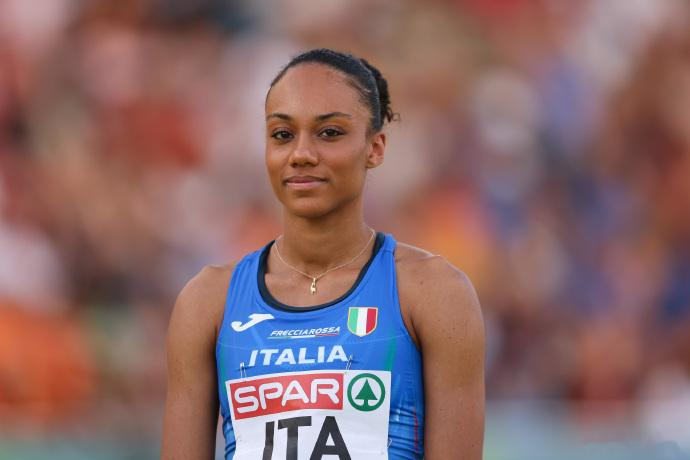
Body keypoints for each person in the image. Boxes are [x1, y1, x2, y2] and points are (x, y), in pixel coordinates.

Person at [161, 48, 485, 460]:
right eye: (282, 134)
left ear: (375, 148)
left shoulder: (433, 293)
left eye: (329, 133)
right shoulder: (207, 301)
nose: (301, 154)